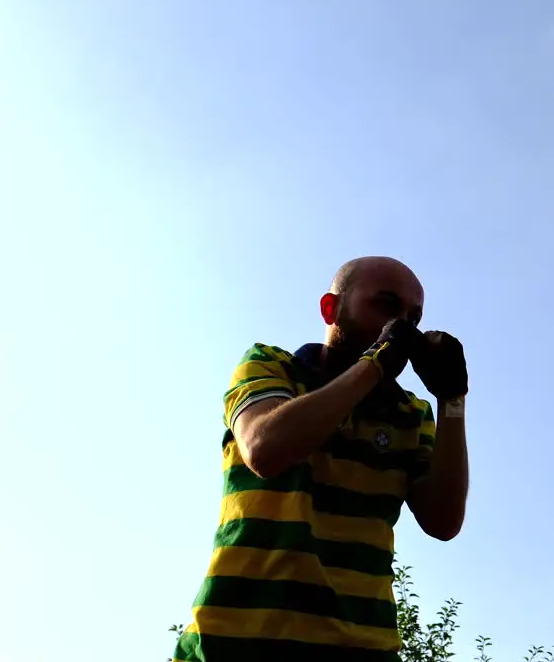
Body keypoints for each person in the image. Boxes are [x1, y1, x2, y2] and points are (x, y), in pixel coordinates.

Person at [171, 256, 470, 662]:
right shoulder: (270, 366)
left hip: (362, 647)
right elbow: (265, 448)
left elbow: (444, 521)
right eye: (386, 306)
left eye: (412, 318)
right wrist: (376, 364)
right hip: (235, 641)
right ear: (331, 309)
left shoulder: (411, 413)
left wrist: (452, 400)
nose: (402, 327)